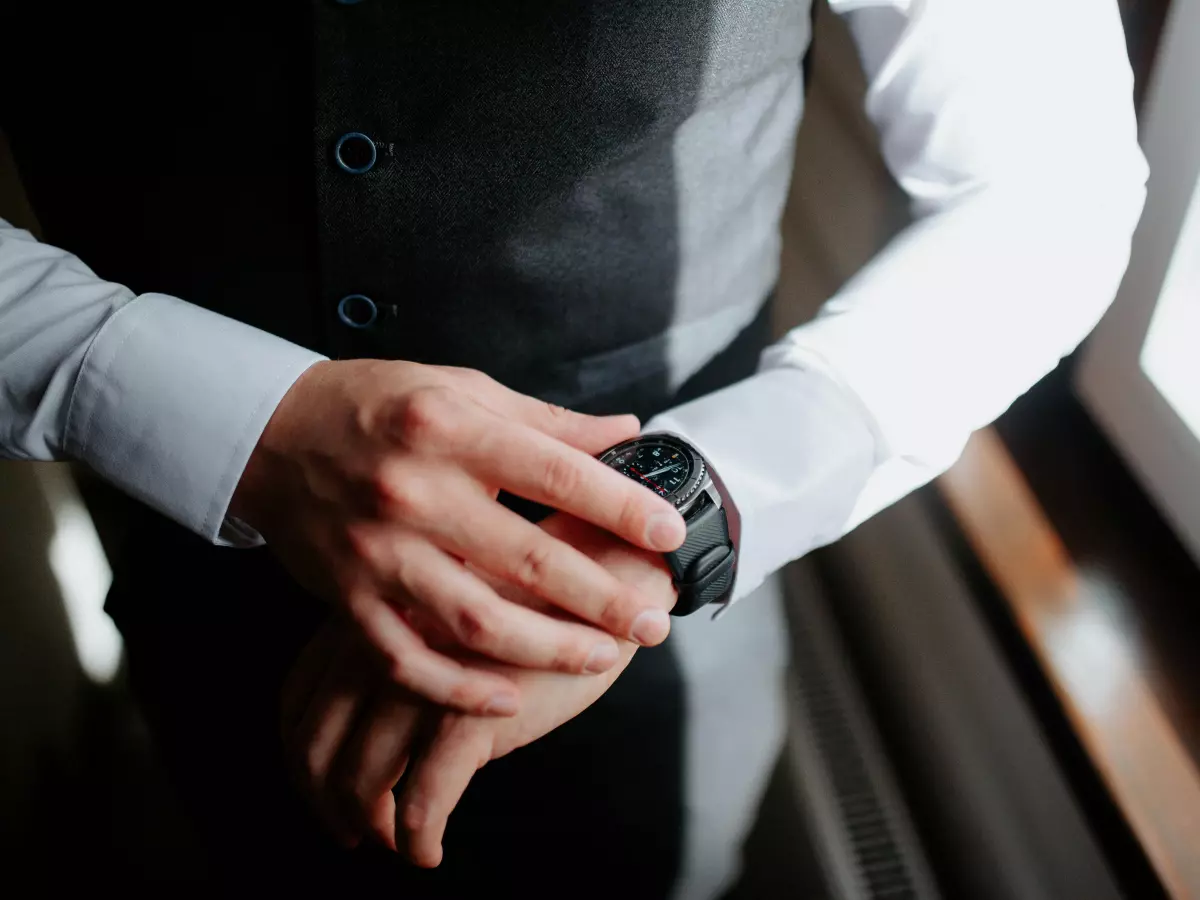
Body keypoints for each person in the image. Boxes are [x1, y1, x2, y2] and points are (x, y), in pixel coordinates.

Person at [0, 0, 1146, 896]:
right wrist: (237, 425)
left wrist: (669, 518)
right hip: (199, 616)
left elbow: (1049, 186)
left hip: (643, 682)